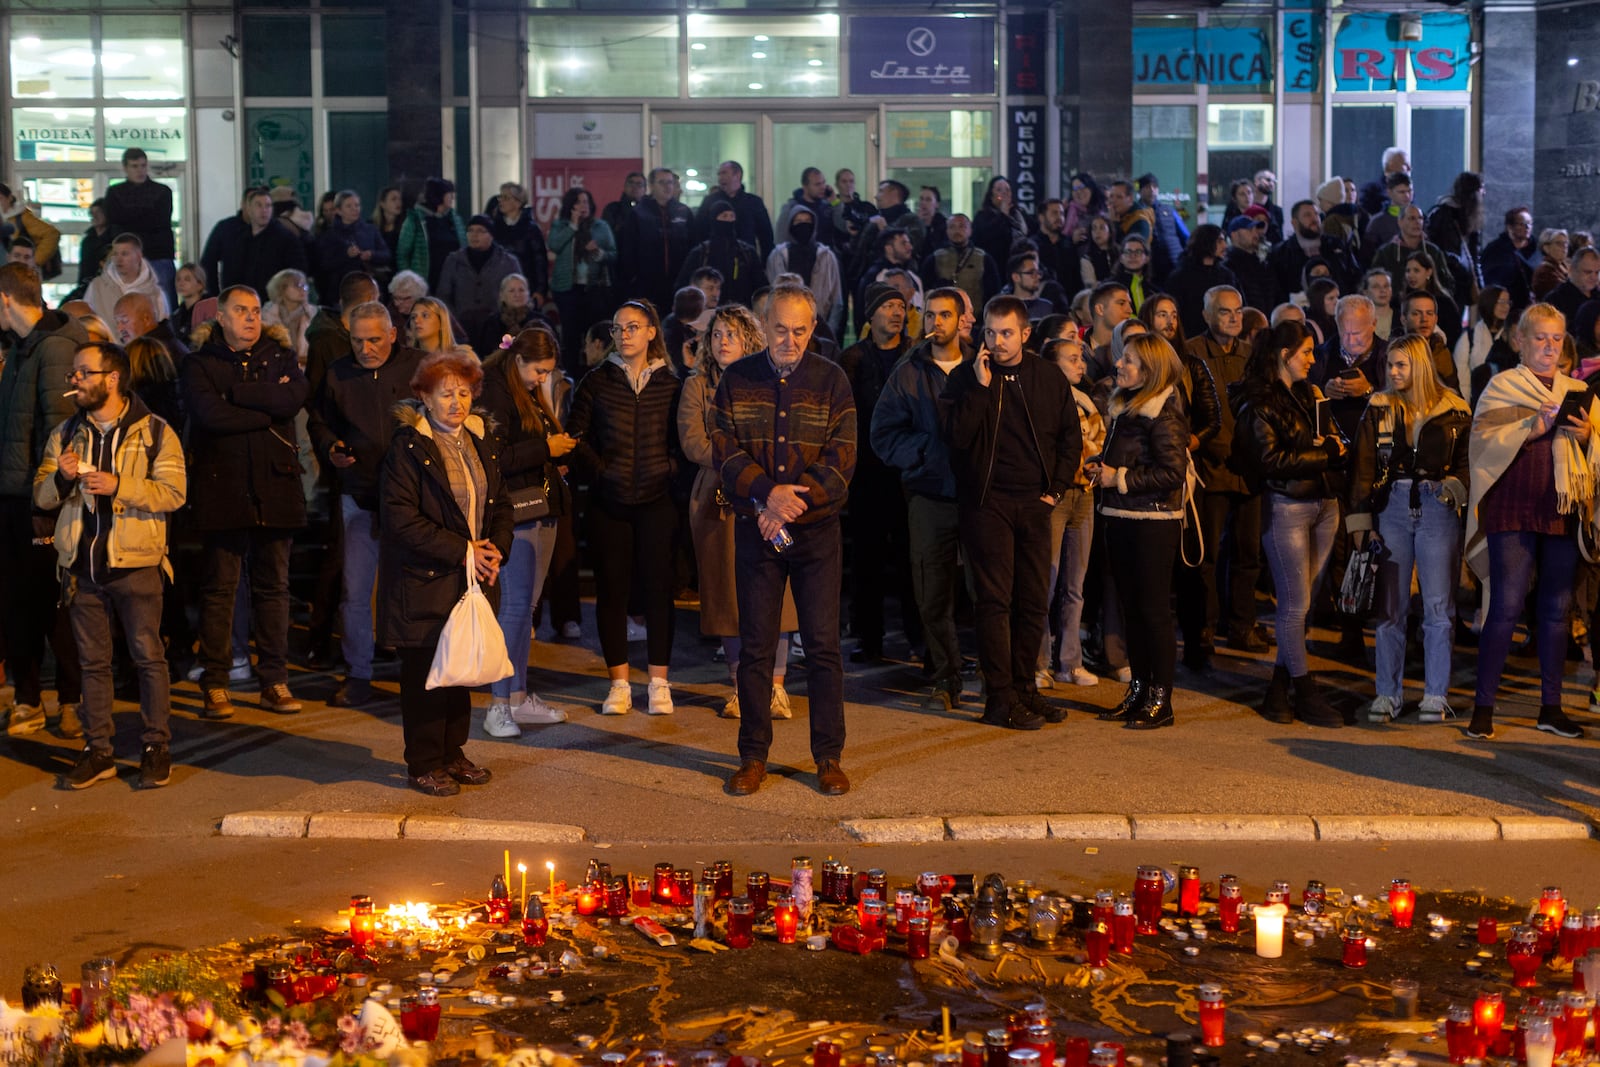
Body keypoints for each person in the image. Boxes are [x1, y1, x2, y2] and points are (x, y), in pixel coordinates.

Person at [713, 283, 857, 797]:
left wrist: (788, 504)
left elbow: (842, 460)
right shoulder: (736, 378)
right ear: (764, 324)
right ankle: (753, 757)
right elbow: (725, 454)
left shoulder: (832, 379)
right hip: (759, 531)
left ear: (812, 329)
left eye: (800, 330)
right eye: (780, 329)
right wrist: (766, 497)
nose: (790, 340)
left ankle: (828, 758)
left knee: (822, 648)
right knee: (755, 648)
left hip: (815, 533)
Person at [34, 339, 185, 789]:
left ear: (112, 379)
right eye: (74, 374)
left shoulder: (156, 431)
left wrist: (121, 485)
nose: (74, 380)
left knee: (147, 658)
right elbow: (40, 496)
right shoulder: (65, 433)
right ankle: (98, 750)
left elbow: (174, 493)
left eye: (84, 373)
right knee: (92, 663)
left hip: (136, 564)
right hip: (82, 566)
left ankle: (156, 747)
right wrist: (60, 477)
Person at [941, 296, 1082, 731]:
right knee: (994, 602)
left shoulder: (1047, 377)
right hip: (987, 504)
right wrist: (981, 388)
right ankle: (999, 698)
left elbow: (1069, 439)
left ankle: (1025, 689)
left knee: (1034, 601)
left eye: (1006, 333)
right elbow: (956, 439)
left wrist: (1055, 491)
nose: (997, 342)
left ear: (1025, 334)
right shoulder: (967, 378)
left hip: (1035, 504)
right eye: (990, 332)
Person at [378, 350, 512, 796]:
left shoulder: (479, 440)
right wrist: (461, 550)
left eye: (463, 392)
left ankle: (453, 753)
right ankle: (423, 762)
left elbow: (502, 505)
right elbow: (400, 518)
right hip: (423, 580)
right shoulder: (408, 446)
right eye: (445, 393)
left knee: (461, 671)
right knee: (426, 674)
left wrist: (495, 551)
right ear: (424, 397)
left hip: (471, 575)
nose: (457, 401)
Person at [1464, 303, 1599, 741]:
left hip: (1561, 508)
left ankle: (1551, 707)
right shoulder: (1502, 386)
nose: (1549, 347)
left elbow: (1596, 450)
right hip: (1513, 505)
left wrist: (1587, 438)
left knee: (1558, 610)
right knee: (1505, 605)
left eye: (1557, 339)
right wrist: (1531, 428)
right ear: (1521, 341)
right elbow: (1482, 442)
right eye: (1540, 338)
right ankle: (1482, 709)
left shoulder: (1578, 388)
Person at [182, 285, 310, 720]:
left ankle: (274, 680)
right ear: (221, 317)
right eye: (241, 311)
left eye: (256, 310)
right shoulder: (200, 363)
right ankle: (216, 683)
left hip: (275, 488)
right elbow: (208, 416)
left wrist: (237, 396)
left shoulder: (279, 356)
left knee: (274, 589)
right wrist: (264, 410)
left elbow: (293, 399)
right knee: (220, 590)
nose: (251, 318)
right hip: (223, 490)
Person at [679, 305, 799, 720]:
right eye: (716, 334)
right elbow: (695, 443)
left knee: (775, 589)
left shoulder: (767, 381)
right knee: (728, 594)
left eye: (732, 333)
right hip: (717, 498)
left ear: (750, 338)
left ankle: (777, 688)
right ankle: (740, 688)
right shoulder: (697, 387)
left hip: (767, 495)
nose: (723, 340)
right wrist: (742, 460)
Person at [1345, 333, 1470, 724]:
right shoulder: (1379, 407)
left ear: (1420, 365)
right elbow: (1362, 468)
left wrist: (1454, 486)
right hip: (1393, 506)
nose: (1393, 372)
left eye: (1402, 364)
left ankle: (1435, 694)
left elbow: (1469, 461)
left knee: (1438, 607)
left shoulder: (1454, 410)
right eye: (1390, 365)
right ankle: (1388, 693)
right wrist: (1361, 524)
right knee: (1390, 608)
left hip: (1438, 507)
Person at [306, 301, 425, 708]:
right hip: (359, 494)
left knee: (415, 587)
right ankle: (358, 674)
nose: (366, 348)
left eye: (374, 339)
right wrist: (329, 447)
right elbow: (319, 421)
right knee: (356, 591)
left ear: (393, 334)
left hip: (413, 500)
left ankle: (421, 669)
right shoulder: (339, 373)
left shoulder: (418, 368)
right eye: (357, 341)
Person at [566, 300, 681, 715]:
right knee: (611, 593)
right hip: (608, 501)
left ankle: (658, 682)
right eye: (617, 328)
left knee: (657, 592)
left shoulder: (671, 383)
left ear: (652, 332)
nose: (625, 334)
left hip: (656, 501)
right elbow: (575, 436)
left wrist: (666, 469)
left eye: (633, 327)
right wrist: (602, 471)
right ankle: (618, 684)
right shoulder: (596, 382)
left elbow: (681, 442)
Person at [1232, 320, 1348, 726]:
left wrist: (1331, 446)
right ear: (1284, 355)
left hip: (1323, 503)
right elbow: (1269, 461)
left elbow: (1329, 438)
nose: (1313, 360)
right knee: (1294, 604)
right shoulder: (1258, 400)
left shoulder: (1305, 393)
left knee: (1304, 605)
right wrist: (1325, 455)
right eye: (1307, 352)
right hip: (1287, 506)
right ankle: (1307, 690)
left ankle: (1278, 692)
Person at [871, 288, 971, 710]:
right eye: (929, 315)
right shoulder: (909, 370)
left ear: (962, 319)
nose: (935, 323)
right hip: (930, 495)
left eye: (945, 314)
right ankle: (946, 676)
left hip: (982, 496)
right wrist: (928, 453)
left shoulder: (985, 365)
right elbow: (883, 434)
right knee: (932, 592)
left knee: (990, 591)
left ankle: (998, 678)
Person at [0, 263, 88, 738]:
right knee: (18, 602)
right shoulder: (20, 348)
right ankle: (28, 698)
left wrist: (46, 504)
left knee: (56, 605)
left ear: (5, 299)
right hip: (13, 500)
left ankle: (68, 701)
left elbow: (60, 434)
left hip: (42, 506)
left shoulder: (53, 348)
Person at [477, 329, 576, 737]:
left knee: (526, 609)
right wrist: (547, 451)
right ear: (517, 360)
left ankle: (517, 699)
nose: (542, 378)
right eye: (539, 370)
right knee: (514, 609)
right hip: (515, 512)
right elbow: (495, 456)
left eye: (548, 372)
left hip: (541, 508)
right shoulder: (496, 392)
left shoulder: (524, 389)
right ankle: (498, 704)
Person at [1089, 333, 1188, 728]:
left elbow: (1172, 472)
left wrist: (1119, 477)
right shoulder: (1126, 406)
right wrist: (1102, 465)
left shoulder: (1163, 411)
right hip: (1122, 517)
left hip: (1152, 523)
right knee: (1133, 610)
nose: (1119, 365)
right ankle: (1140, 690)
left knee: (1153, 612)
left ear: (1150, 369)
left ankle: (1160, 700)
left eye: (1128, 361)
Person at [1186, 285, 1265, 652]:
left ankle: (1242, 625)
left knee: (1247, 552)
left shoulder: (1252, 355)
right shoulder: (1191, 353)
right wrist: (1213, 447)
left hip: (1248, 469)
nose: (1234, 317)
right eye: (1224, 311)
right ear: (1206, 315)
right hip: (1211, 467)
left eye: (1238, 311)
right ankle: (1204, 627)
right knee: (1209, 554)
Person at [839, 283, 916, 664]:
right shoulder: (853, 359)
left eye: (901, 305)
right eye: (887, 305)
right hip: (868, 474)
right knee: (867, 561)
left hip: (910, 474)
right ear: (870, 315)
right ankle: (869, 639)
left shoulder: (916, 355)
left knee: (913, 559)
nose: (896, 312)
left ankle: (920, 638)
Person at [1038, 333, 1104, 687]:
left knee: (1074, 586)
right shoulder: (1042, 401)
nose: (1081, 364)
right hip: (1056, 496)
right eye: (1071, 358)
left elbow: (1098, 442)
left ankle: (1070, 663)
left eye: (1081, 358)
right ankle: (1038, 663)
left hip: (1085, 496)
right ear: (1051, 365)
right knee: (1044, 583)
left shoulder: (1087, 402)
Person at [548, 186, 617, 373]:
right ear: (570, 205)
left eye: (586, 202)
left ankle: (596, 373)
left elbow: (613, 254)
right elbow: (554, 245)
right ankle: (570, 375)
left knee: (595, 333)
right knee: (570, 334)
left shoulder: (601, 226)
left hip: (594, 288)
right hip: (567, 288)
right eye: (578, 202)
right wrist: (573, 225)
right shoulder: (561, 225)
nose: (583, 206)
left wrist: (599, 253)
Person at [200, 187, 310, 299]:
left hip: (271, 304)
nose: (264, 210)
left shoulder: (285, 237)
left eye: (268, 206)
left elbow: (298, 273)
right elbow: (209, 263)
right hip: (237, 301)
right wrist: (216, 296)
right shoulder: (236, 235)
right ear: (248, 208)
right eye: (259, 205)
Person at [104, 148, 176, 307]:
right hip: (153, 252)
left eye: (142, 166)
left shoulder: (116, 194)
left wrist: (128, 222)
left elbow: (159, 222)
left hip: (152, 254)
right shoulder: (161, 193)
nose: (140, 170)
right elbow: (156, 223)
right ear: (125, 168)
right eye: (135, 166)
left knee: (159, 303)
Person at [436, 214, 523, 342]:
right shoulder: (454, 260)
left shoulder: (508, 261)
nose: (474, 235)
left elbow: (518, 294)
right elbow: (443, 295)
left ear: (491, 235)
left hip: (498, 328)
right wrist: (453, 322)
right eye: (470, 230)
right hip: (461, 328)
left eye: (480, 231)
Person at [619, 168, 694, 312]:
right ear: (652, 186)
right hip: (647, 284)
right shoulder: (639, 213)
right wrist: (633, 279)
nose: (667, 187)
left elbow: (692, 245)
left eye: (670, 182)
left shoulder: (684, 212)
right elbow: (628, 250)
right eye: (662, 182)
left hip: (679, 283)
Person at [766, 207, 842, 333]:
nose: (803, 225)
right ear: (790, 224)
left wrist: (829, 331)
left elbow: (837, 300)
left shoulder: (826, 256)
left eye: (807, 220)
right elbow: (770, 293)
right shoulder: (778, 256)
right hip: (784, 327)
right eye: (798, 221)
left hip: (820, 328)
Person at [677, 203, 765, 309]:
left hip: (741, 312)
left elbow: (760, 284)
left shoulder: (746, 252)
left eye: (731, 216)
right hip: (706, 314)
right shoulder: (701, 253)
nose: (728, 220)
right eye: (724, 216)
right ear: (714, 219)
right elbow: (684, 285)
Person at [315, 190, 390, 302]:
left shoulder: (370, 230)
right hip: (341, 290)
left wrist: (371, 255)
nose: (355, 209)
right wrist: (346, 255)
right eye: (349, 206)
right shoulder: (330, 235)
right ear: (338, 211)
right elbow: (324, 264)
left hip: (369, 287)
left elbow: (387, 255)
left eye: (357, 205)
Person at [1425, 170, 1484, 309]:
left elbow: (1475, 255)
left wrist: (1479, 285)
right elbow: (1432, 247)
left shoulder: (1469, 218)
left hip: (1461, 282)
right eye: (1481, 189)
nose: (1484, 194)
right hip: (1445, 281)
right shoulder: (1443, 214)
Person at [1164, 225, 1235, 339]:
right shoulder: (1181, 277)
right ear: (1206, 241)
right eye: (1220, 241)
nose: (1225, 246)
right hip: (1191, 338)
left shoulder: (1226, 275)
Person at [396, 177, 466, 292]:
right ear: (439, 195)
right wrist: (409, 280)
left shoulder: (455, 219)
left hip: (453, 283)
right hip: (425, 281)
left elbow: (464, 248)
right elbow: (403, 254)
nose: (453, 197)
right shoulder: (415, 219)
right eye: (449, 193)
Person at [695, 160, 775, 259]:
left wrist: (765, 264)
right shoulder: (710, 202)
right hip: (716, 259)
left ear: (737, 175)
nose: (720, 178)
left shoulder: (753, 202)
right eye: (719, 174)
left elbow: (766, 237)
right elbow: (699, 232)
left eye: (724, 173)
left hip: (746, 261)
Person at [85, 233, 170, 325]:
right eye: (115, 254)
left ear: (138, 256)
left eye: (124, 254)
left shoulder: (155, 294)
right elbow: (86, 322)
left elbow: (163, 331)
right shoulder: (97, 287)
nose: (119, 259)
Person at [487, 183, 549, 299]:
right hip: (497, 287)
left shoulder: (531, 229)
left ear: (518, 202)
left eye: (506, 198)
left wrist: (540, 290)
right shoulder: (494, 226)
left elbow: (540, 262)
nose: (501, 201)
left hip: (524, 286)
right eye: (500, 197)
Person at [473, 274, 548, 358]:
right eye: (511, 291)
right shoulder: (491, 324)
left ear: (528, 294)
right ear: (502, 295)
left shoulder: (541, 322)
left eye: (521, 290)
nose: (517, 295)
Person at [1136, 173, 1190, 284]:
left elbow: (1185, 236)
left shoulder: (1169, 210)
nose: (1151, 190)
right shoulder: (1135, 213)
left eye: (1154, 187)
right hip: (1150, 269)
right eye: (1147, 187)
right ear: (1140, 191)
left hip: (1175, 264)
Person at [0, 182, 60, 277]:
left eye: (0, 199)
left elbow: (52, 234)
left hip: (22, 275)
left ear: (9, 198)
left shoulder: (21, 217)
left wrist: (33, 261)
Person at [1222, 213, 1278, 314]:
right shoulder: (1229, 266)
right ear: (1234, 235)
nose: (1255, 233)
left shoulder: (1262, 262)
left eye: (1256, 229)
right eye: (1249, 230)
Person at [973, 176, 1030, 270]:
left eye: (1007, 190)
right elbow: (986, 237)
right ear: (991, 195)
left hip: (1020, 263)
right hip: (996, 265)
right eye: (999, 190)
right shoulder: (982, 216)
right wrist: (1003, 215)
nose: (1004, 193)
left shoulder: (1019, 214)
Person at [775, 167, 836, 249]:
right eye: (817, 184)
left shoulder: (828, 206)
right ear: (805, 187)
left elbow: (843, 227)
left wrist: (835, 202)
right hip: (799, 257)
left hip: (826, 257)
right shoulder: (791, 209)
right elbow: (780, 240)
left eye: (824, 183)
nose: (823, 187)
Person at [261, 268, 315, 362]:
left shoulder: (314, 314)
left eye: (305, 286)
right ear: (281, 288)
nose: (303, 289)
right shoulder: (266, 315)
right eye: (297, 285)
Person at [1547, 246, 1600, 325]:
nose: (1594, 277)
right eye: (1587, 272)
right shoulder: (1555, 300)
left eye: (1597, 272)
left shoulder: (1597, 295)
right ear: (1572, 270)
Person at [1112, 234, 1159, 313]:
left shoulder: (1154, 292)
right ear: (1121, 258)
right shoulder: (1110, 289)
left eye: (1138, 252)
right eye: (1128, 251)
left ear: (1147, 258)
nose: (1133, 256)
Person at [77, 198, 113, 290]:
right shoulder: (87, 240)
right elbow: (83, 267)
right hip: (88, 285)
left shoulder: (114, 239)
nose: (94, 216)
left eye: (99, 212)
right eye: (92, 213)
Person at [171, 263, 212, 339]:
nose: (181, 283)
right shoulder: (176, 315)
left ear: (200, 285)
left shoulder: (208, 313)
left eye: (187, 279)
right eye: (178, 279)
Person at [1078, 216, 1118, 288]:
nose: (1097, 232)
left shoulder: (1119, 252)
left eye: (1102, 228)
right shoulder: (1087, 258)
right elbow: (1091, 285)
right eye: (1094, 228)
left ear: (1110, 232)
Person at [1531, 229, 1571, 300]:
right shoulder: (1543, 272)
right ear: (1546, 248)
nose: (1564, 246)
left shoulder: (1566, 265)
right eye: (1559, 243)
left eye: (1566, 243)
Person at [371, 185, 405, 265]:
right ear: (382, 204)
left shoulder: (405, 227)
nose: (398, 202)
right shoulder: (371, 226)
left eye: (399, 199)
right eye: (393, 199)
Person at [1361, 268, 1395, 339]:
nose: (1383, 290)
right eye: (1376, 287)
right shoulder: (1359, 319)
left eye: (1386, 286)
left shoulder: (1402, 317)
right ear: (1366, 292)